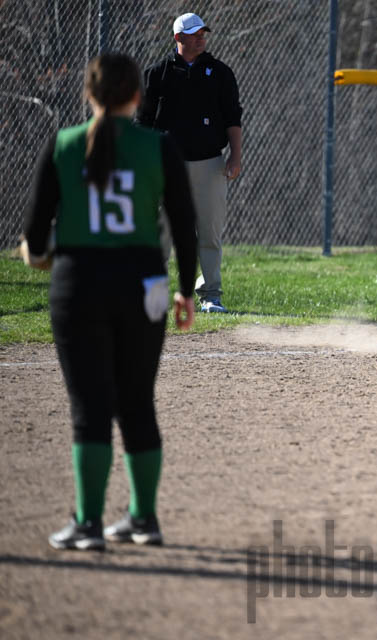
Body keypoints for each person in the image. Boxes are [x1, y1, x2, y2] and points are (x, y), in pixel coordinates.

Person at [20, 53, 198, 550]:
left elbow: (35, 240)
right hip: (145, 284)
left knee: (90, 407)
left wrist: (39, 256)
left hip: (80, 285)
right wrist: (186, 290)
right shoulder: (160, 146)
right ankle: (143, 518)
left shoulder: (64, 145)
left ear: (89, 94)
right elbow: (185, 226)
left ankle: (88, 523)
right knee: (137, 402)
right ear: (137, 96)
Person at [138, 12, 242, 313]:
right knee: (161, 232)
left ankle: (211, 295)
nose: (201, 38)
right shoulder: (157, 74)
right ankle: (154, 295)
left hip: (210, 163)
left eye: (202, 33)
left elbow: (233, 118)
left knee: (209, 232)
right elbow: (143, 122)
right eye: (194, 34)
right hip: (165, 165)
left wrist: (235, 156)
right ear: (178, 38)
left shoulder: (220, 72)